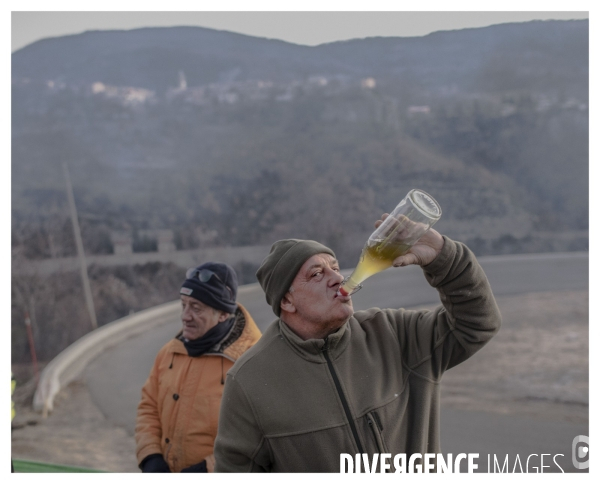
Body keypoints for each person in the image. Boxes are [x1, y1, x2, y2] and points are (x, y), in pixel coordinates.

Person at [214, 215, 502, 472]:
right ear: (286, 301)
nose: (338, 278)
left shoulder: (393, 333)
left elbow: (477, 323)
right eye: (317, 274)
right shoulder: (250, 381)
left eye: (335, 268)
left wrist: (444, 258)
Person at [135, 262, 261, 473]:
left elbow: (258, 436)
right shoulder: (169, 353)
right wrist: (150, 457)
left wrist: (207, 469)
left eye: (196, 308)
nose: (185, 316)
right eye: (183, 305)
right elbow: (148, 406)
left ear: (222, 314)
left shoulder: (251, 363)